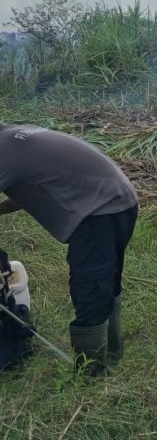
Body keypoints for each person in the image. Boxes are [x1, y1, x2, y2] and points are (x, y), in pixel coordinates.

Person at [0, 124, 138, 375]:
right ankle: (112, 354)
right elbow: (33, 187)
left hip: (100, 211)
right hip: (120, 200)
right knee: (105, 283)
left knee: (90, 288)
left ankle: (92, 372)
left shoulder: (4, 150)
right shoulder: (16, 138)